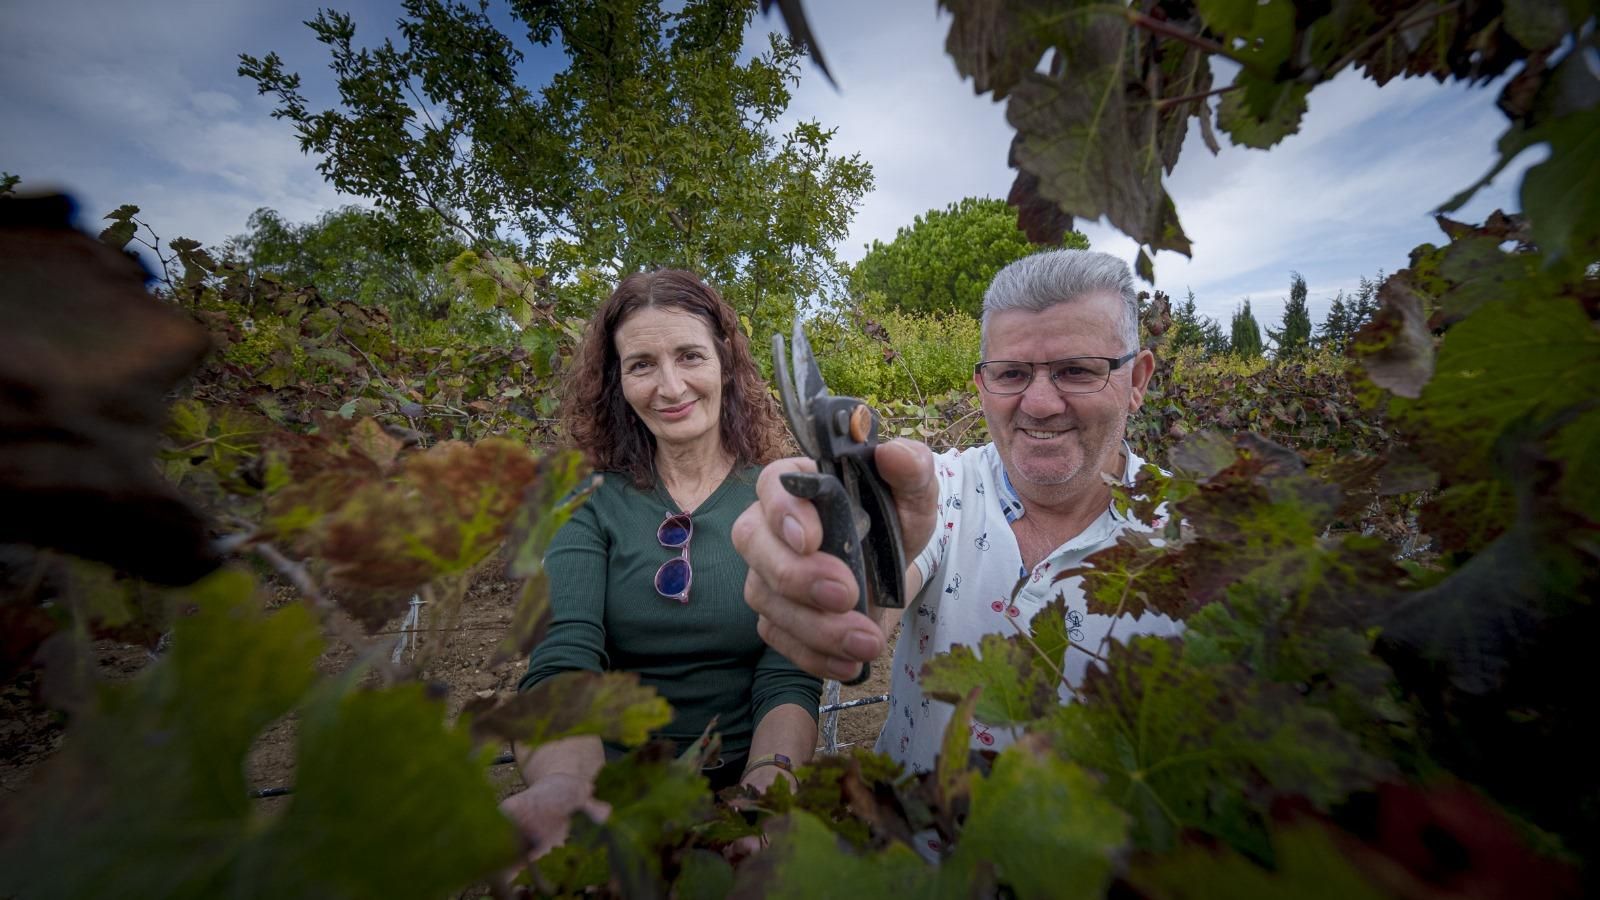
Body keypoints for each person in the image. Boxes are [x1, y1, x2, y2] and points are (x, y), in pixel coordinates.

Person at [733, 249, 1181, 775]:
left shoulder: (1200, 541)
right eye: (1011, 373)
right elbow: (874, 601)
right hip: (909, 844)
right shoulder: (942, 490)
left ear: (1137, 381)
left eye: (1076, 371)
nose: (1039, 403)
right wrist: (834, 587)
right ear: (982, 385)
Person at [502, 270, 821, 854]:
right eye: (642, 364)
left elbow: (788, 675)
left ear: (725, 362)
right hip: (615, 790)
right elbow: (563, 658)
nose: (670, 387)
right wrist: (571, 787)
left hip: (745, 786)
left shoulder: (779, 495)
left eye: (689, 356)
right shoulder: (584, 501)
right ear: (616, 381)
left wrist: (766, 790)